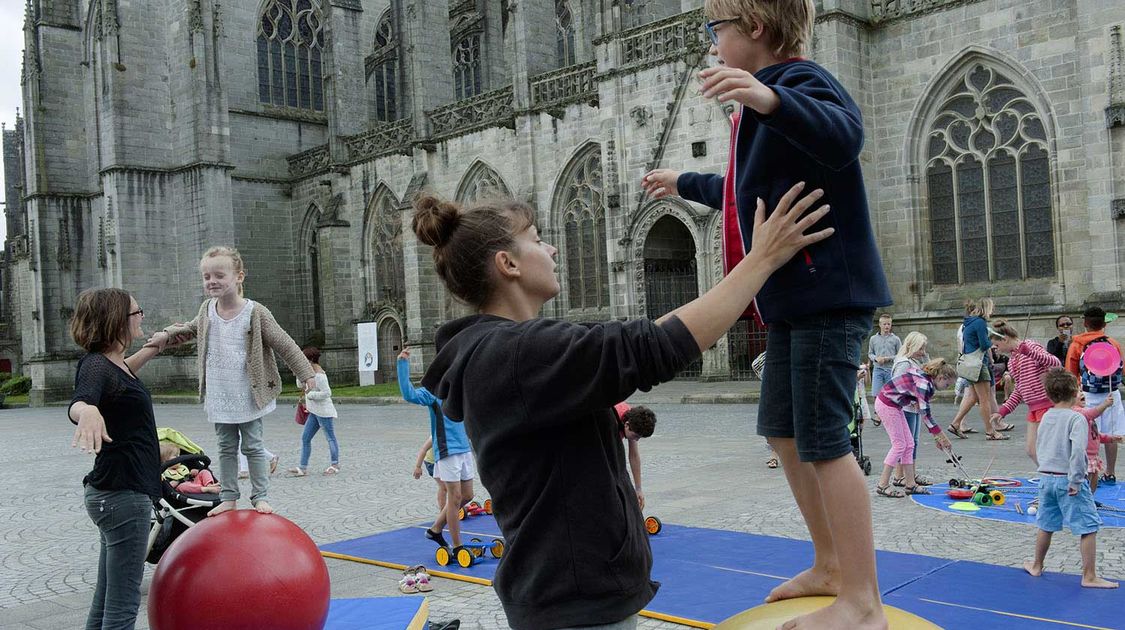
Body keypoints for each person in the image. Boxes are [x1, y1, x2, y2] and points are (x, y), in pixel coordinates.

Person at [413, 177, 833, 627]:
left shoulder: (505, 352)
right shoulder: (517, 354)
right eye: (537, 240)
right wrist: (762, 260)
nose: (552, 250)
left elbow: (646, 337)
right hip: (575, 605)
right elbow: (651, 349)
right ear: (507, 263)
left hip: (565, 595)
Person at [641, 1, 892, 626]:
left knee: (827, 444)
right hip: (792, 304)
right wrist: (685, 182)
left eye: (715, 30)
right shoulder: (764, 104)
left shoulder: (800, 82)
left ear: (754, 29)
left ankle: (863, 601)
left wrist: (769, 98)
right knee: (783, 432)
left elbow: (846, 134)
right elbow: (744, 186)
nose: (711, 43)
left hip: (828, 299)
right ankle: (830, 562)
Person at [151, 246, 315, 516]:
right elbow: (191, 329)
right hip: (219, 392)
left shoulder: (255, 312)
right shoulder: (207, 310)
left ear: (239, 276)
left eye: (219, 275)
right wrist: (166, 336)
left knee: (252, 445)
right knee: (226, 448)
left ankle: (260, 495)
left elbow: (283, 343)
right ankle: (228, 497)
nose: (211, 281)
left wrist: (306, 373)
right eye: (206, 277)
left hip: (248, 393)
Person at [68, 288, 164, 629]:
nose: (141, 317)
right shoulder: (96, 366)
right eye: (136, 313)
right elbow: (81, 401)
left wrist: (155, 346)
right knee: (123, 608)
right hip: (124, 496)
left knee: (105, 601)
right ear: (116, 320)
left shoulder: (112, 364)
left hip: (112, 493)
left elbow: (123, 377)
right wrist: (87, 411)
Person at [1023, 368, 1118, 589]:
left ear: (1049, 395)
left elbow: (1040, 446)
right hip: (1068, 480)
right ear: (1075, 391)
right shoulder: (1077, 419)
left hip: (1046, 478)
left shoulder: (1046, 415)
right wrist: (1076, 480)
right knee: (1088, 526)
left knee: (1045, 524)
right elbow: (1078, 452)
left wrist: (1044, 470)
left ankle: (1037, 565)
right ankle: (1089, 576)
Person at [398, 348, 476, 552]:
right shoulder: (432, 393)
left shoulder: (459, 388)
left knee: (468, 495)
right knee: (455, 497)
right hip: (446, 450)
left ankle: (435, 529)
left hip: (464, 449)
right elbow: (409, 394)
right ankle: (458, 546)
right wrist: (402, 364)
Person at [873, 359, 955, 498]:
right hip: (887, 405)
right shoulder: (924, 384)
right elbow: (926, 414)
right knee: (899, 445)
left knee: (909, 444)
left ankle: (910, 484)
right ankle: (882, 484)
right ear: (941, 377)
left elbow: (920, 406)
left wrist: (937, 436)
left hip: (894, 405)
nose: (947, 387)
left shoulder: (926, 380)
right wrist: (942, 437)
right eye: (947, 384)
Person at [1065, 306, 1125, 486]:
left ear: (1085, 323)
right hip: (1111, 394)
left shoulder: (1077, 344)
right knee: (1111, 434)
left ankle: (1091, 474)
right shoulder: (1113, 344)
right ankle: (1111, 473)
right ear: (1104, 323)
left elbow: (1070, 372)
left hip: (1088, 397)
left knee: (1089, 435)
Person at [987, 320, 1061, 465]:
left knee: (1048, 449)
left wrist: (1031, 353)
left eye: (997, 345)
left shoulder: (1031, 346)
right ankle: (1049, 475)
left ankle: (1056, 476)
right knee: (1031, 450)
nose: (995, 349)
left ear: (1005, 339)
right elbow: (1019, 389)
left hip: (1047, 406)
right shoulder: (1012, 361)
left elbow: (1055, 363)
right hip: (1033, 409)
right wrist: (1002, 411)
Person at [948, 298, 1009, 440]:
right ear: (986, 308)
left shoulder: (968, 323)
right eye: (991, 308)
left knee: (973, 397)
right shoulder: (980, 323)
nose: (992, 311)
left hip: (970, 364)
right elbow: (983, 344)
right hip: (979, 365)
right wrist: (991, 342)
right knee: (985, 399)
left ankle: (955, 424)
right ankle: (990, 432)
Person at [288, 347, 340, 476]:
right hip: (314, 412)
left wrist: (311, 395)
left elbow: (327, 393)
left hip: (324, 412)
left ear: (310, 360)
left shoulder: (320, 376)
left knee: (330, 438)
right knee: (305, 438)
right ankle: (303, 467)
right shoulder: (309, 373)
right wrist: (299, 376)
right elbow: (301, 386)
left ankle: (335, 464)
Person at [890, 332, 931, 487]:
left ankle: (910, 473)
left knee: (913, 442)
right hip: (906, 407)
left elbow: (928, 371)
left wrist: (925, 356)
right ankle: (900, 475)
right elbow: (895, 385)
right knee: (906, 442)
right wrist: (910, 398)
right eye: (920, 348)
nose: (923, 351)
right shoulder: (904, 363)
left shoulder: (913, 361)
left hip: (913, 407)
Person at [615, 402, 657, 509]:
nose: (636, 440)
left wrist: (638, 488)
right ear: (627, 425)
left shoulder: (633, 419)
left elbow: (634, 455)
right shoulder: (613, 420)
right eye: (636, 436)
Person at [1075, 391, 1119, 494]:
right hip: (1084, 456)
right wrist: (1105, 404)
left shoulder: (1084, 412)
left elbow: (1095, 435)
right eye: (1076, 392)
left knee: (1093, 482)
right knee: (1084, 483)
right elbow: (1092, 413)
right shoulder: (1077, 413)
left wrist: (1111, 438)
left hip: (1093, 456)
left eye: (1081, 391)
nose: (1081, 393)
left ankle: (1089, 500)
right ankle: (1081, 500)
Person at [868, 314, 901, 397]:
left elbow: (900, 355)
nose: (886, 326)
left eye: (888, 324)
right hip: (877, 369)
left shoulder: (896, 339)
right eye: (884, 324)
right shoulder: (873, 339)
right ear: (880, 325)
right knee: (876, 394)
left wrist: (888, 358)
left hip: (890, 370)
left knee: (891, 395)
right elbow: (870, 354)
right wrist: (876, 358)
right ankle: (877, 410)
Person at [412, 437, 447, 510]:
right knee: (444, 487)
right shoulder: (436, 435)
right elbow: (423, 449)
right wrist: (418, 467)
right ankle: (443, 510)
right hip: (432, 463)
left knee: (453, 486)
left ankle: (453, 506)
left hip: (444, 462)